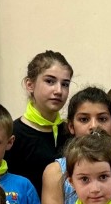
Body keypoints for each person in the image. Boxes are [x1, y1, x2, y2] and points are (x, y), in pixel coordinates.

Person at [42, 87, 111, 204]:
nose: (94, 126)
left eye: (102, 119)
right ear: (71, 126)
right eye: (84, 119)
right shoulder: (55, 172)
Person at [5, 51, 73, 196]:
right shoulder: (12, 135)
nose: (59, 90)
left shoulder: (71, 132)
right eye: (50, 81)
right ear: (30, 84)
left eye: (65, 84)